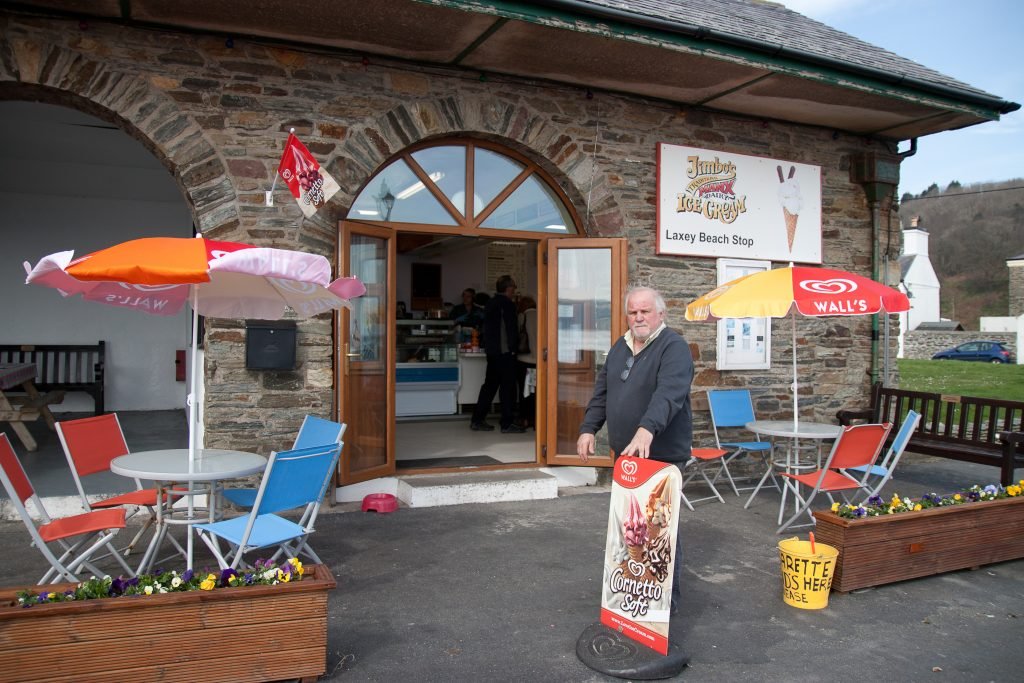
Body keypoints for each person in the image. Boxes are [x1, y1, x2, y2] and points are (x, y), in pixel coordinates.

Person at [576, 285, 694, 615]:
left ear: (660, 314)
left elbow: (669, 395)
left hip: (661, 455)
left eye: (645, 311)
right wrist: (588, 428)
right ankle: (634, 597)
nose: (639, 317)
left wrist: (647, 430)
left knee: (661, 531)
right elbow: (603, 391)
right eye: (633, 312)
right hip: (626, 457)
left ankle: (663, 606)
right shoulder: (621, 346)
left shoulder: (674, 347)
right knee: (632, 527)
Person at [470, 275, 524, 433]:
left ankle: (477, 419)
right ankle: (507, 423)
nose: (514, 290)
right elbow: (510, 330)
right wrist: (514, 349)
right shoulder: (507, 304)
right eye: (514, 287)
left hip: (492, 353)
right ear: (508, 288)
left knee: (489, 386)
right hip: (505, 352)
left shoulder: (490, 303)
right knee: (507, 388)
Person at [516, 295, 538, 428]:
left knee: (524, 391)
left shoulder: (522, 317)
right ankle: (536, 419)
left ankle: (523, 419)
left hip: (524, 360)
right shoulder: (542, 316)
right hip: (538, 362)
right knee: (535, 391)